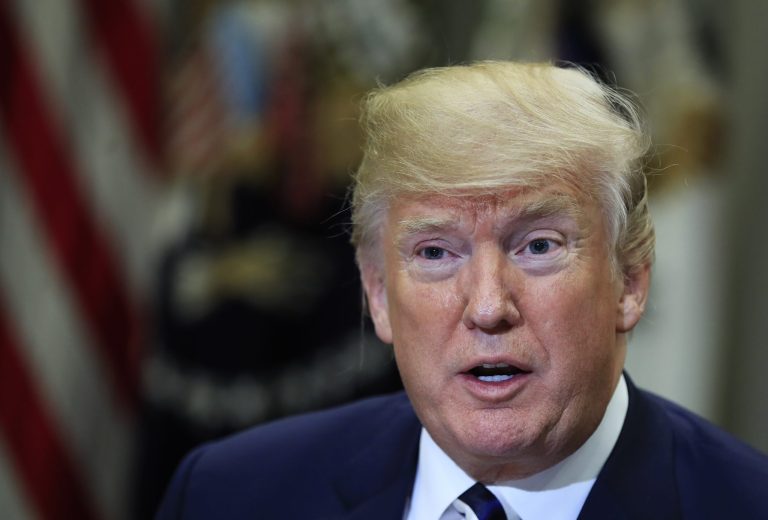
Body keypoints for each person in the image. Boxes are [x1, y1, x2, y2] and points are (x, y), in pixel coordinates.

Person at [156, 61, 768, 520]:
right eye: (434, 253)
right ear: (376, 292)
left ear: (630, 282)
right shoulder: (228, 494)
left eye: (538, 247)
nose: (486, 307)